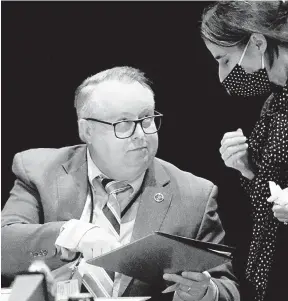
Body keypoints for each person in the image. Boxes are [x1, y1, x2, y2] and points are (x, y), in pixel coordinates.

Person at [1, 66, 240, 301]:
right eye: (123, 123)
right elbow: (4, 248)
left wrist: (205, 292)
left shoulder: (194, 195)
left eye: (147, 118)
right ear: (87, 130)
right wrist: (71, 233)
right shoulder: (40, 170)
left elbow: (227, 286)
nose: (141, 134)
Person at [200, 1, 288, 301]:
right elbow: (272, 192)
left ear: (257, 41)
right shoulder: (275, 101)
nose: (221, 75)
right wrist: (246, 167)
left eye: (224, 60)